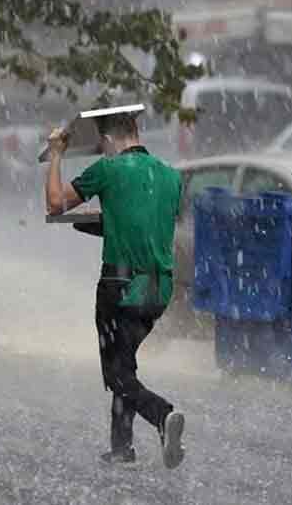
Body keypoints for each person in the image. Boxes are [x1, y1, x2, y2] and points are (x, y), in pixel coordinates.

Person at [44, 107, 186, 469]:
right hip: (158, 289)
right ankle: (122, 447)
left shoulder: (108, 169)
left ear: (107, 140)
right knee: (126, 364)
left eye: (102, 146)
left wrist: (57, 154)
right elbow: (145, 224)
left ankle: (162, 415)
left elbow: (56, 203)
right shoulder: (171, 176)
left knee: (117, 374)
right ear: (136, 130)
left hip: (120, 286)